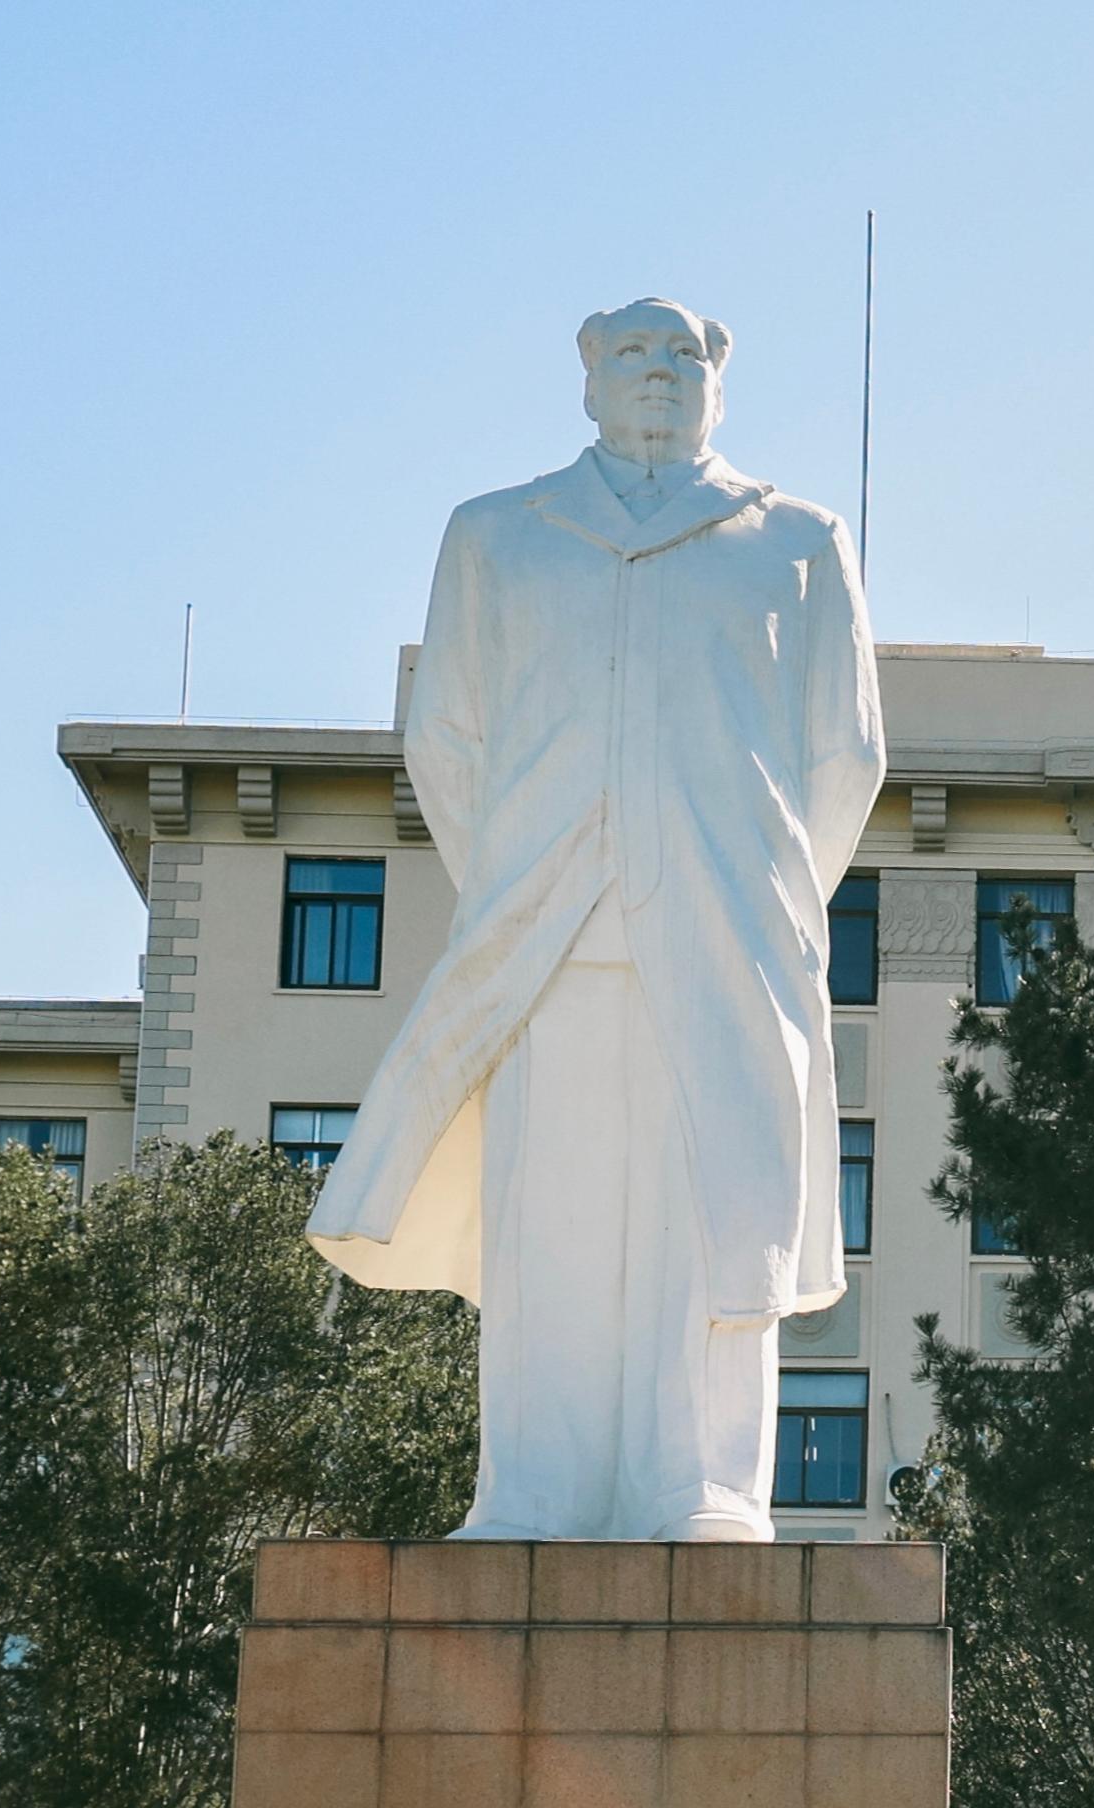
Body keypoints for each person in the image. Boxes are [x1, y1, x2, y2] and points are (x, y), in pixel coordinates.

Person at [305, 296, 887, 1541]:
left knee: (707, 1212)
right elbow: (448, 741)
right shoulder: (503, 536)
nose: (661, 373)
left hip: (726, 937)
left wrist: (750, 882)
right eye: (634, 352)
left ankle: (704, 1485)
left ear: (719, 384)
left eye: (687, 355)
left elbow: (844, 758)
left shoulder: (794, 541)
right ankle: (536, 1489)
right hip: (548, 935)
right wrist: (532, 866)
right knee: (550, 1219)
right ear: (587, 378)